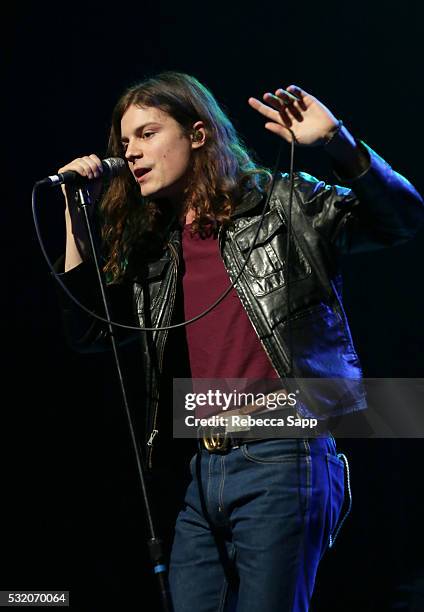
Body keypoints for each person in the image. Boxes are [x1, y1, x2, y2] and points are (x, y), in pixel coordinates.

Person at [55, 71, 424, 611]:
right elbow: (89, 332)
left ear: (198, 135)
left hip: (282, 455)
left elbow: (403, 220)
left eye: (147, 133)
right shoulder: (155, 247)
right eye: (124, 140)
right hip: (199, 474)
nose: (130, 152)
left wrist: (335, 141)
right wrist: (75, 211)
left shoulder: (282, 204)